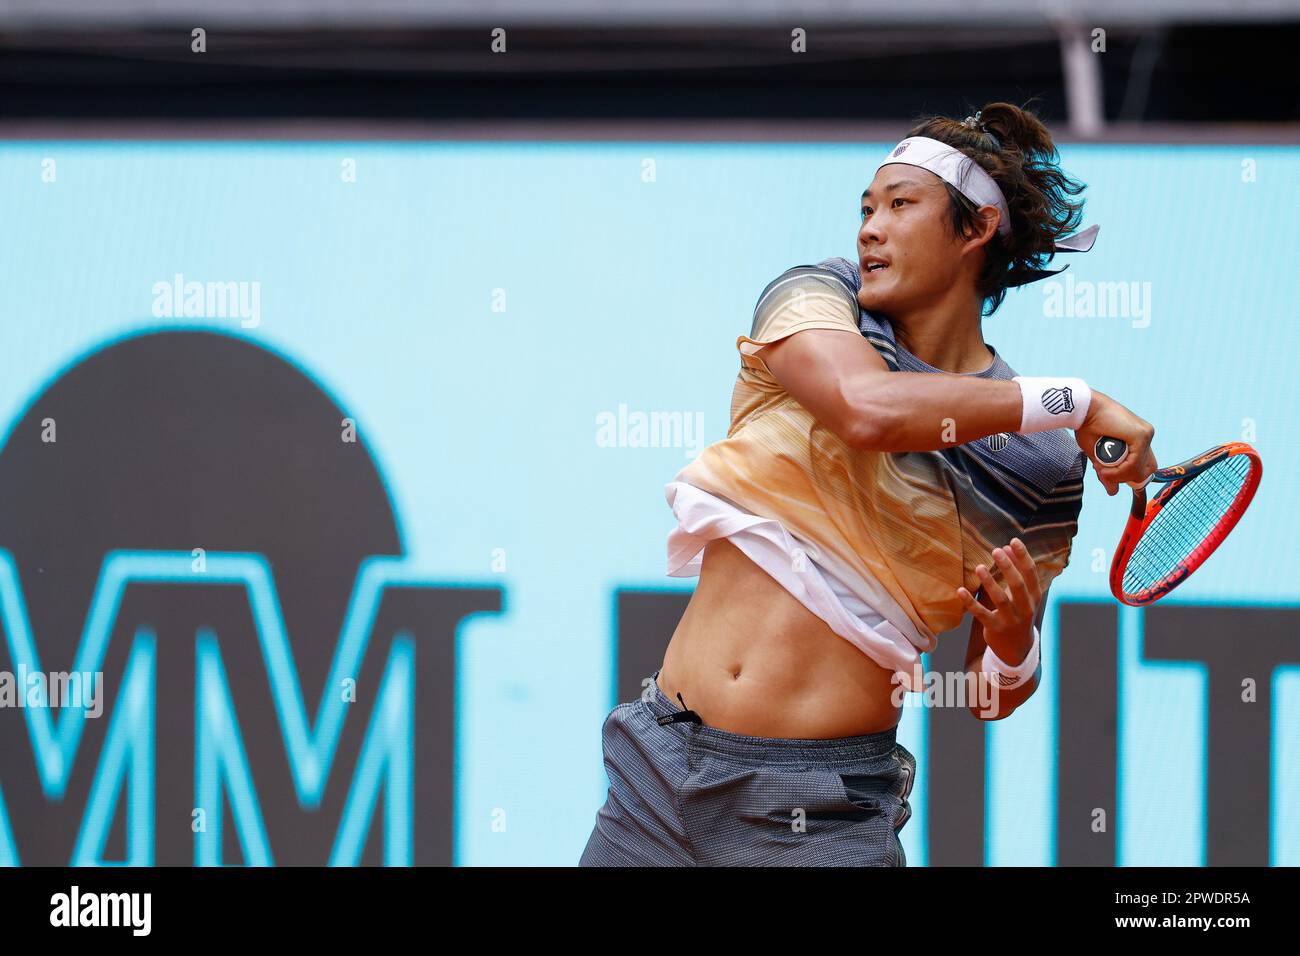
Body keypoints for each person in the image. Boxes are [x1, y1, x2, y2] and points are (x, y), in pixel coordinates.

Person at [579, 102, 1157, 867]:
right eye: (866, 208)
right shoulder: (819, 299)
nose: (869, 228)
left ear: (976, 229)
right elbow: (868, 410)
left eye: (900, 205)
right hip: (655, 772)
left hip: (816, 815)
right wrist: (1074, 401)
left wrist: (1015, 643)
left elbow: (988, 693)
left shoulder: (1040, 465)